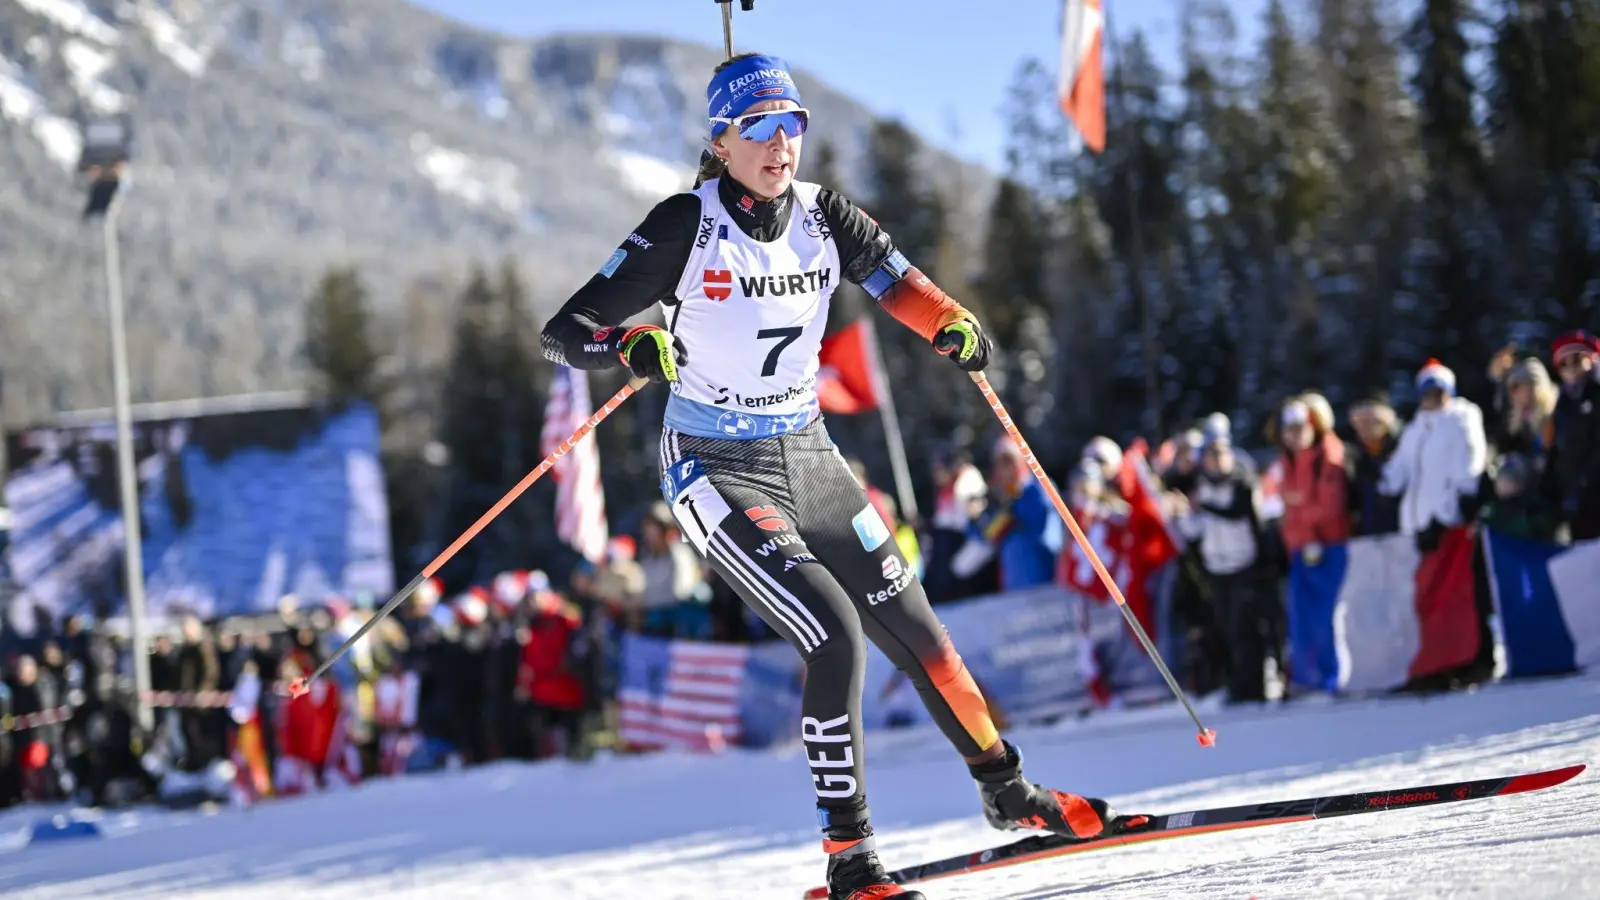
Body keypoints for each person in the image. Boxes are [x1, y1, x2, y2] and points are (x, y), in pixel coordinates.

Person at [541, 52, 1130, 900]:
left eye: (794, 124)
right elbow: (565, 331)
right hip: (716, 466)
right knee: (833, 632)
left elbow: (899, 283)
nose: (782, 144)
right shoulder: (684, 223)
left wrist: (949, 323)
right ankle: (849, 857)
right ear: (722, 141)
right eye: (760, 128)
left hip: (810, 455)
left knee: (921, 631)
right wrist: (626, 345)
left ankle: (1008, 790)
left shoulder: (826, 216)